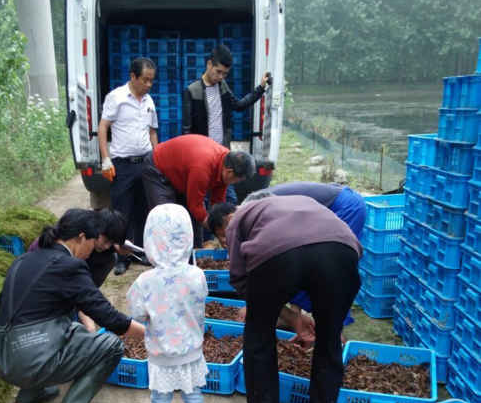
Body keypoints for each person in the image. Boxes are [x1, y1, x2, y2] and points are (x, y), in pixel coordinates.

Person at [207, 197, 362, 403]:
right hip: (342, 250)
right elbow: (312, 261)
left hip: (278, 255)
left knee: (259, 332)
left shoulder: (238, 219)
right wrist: (303, 317)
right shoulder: (294, 203)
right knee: (329, 340)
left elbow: (239, 278)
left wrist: (267, 309)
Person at [0, 208, 145, 403]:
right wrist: (149, 334)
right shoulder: (70, 266)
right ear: (81, 237)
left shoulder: (24, 259)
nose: (91, 252)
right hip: (28, 360)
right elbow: (109, 318)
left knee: (68, 329)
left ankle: (29, 394)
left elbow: (2, 307)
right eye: (91, 242)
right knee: (111, 345)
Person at [126, 203, 208, 403]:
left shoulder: (145, 282)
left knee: (160, 397)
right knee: (193, 392)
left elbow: (137, 314)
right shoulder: (197, 275)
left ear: (150, 240)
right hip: (192, 350)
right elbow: (201, 300)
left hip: (161, 352)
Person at [240, 182, 366, 336]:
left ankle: (334, 330)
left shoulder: (263, 209)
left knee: (332, 273)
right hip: (333, 204)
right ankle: (301, 319)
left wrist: (255, 303)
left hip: (346, 207)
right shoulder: (258, 207)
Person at [182, 44, 270, 207]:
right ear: (209, 65)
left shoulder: (222, 87)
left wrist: (261, 88)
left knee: (228, 201)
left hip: (222, 155)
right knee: (202, 200)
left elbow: (239, 105)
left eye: (225, 74)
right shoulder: (192, 90)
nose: (221, 77)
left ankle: (224, 230)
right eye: (218, 72)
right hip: (202, 157)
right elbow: (187, 130)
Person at [98, 57, 158, 275]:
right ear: (133, 76)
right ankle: (122, 256)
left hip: (145, 163)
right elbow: (103, 127)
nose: (148, 85)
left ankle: (139, 251)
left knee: (143, 210)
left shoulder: (149, 101)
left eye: (151, 81)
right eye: (145, 80)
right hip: (122, 165)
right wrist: (105, 159)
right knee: (122, 213)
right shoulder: (116, 98)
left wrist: (157, 158)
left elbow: (152, 132)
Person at [141, 134, 255, 246]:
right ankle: (163, 259)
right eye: (237, 180)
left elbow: (217, 205)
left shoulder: (225, 162)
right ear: (229, 171)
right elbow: (195, 206)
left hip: (182, 172)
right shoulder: (202, 168)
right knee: (166, 218)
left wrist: (223, 226)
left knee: (194, 220)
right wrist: (219, 232)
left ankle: (195, 253)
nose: (235, 183)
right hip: (158, 167)